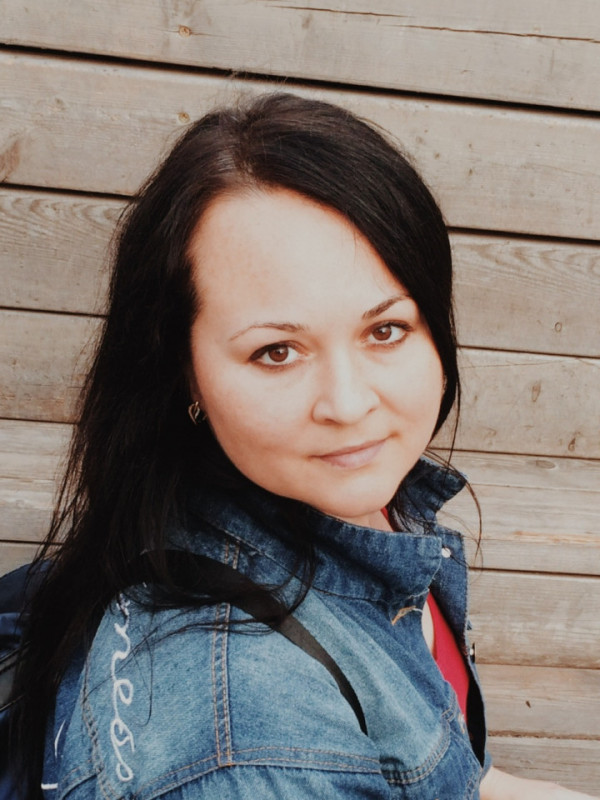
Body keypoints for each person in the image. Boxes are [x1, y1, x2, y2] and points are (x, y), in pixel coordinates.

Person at [10, 92, 597, 800]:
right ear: (183, 370)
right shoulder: (248, 751)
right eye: (277, 351)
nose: (348, 406)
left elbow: (441, 774)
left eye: (385, 331)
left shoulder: (359, 508)